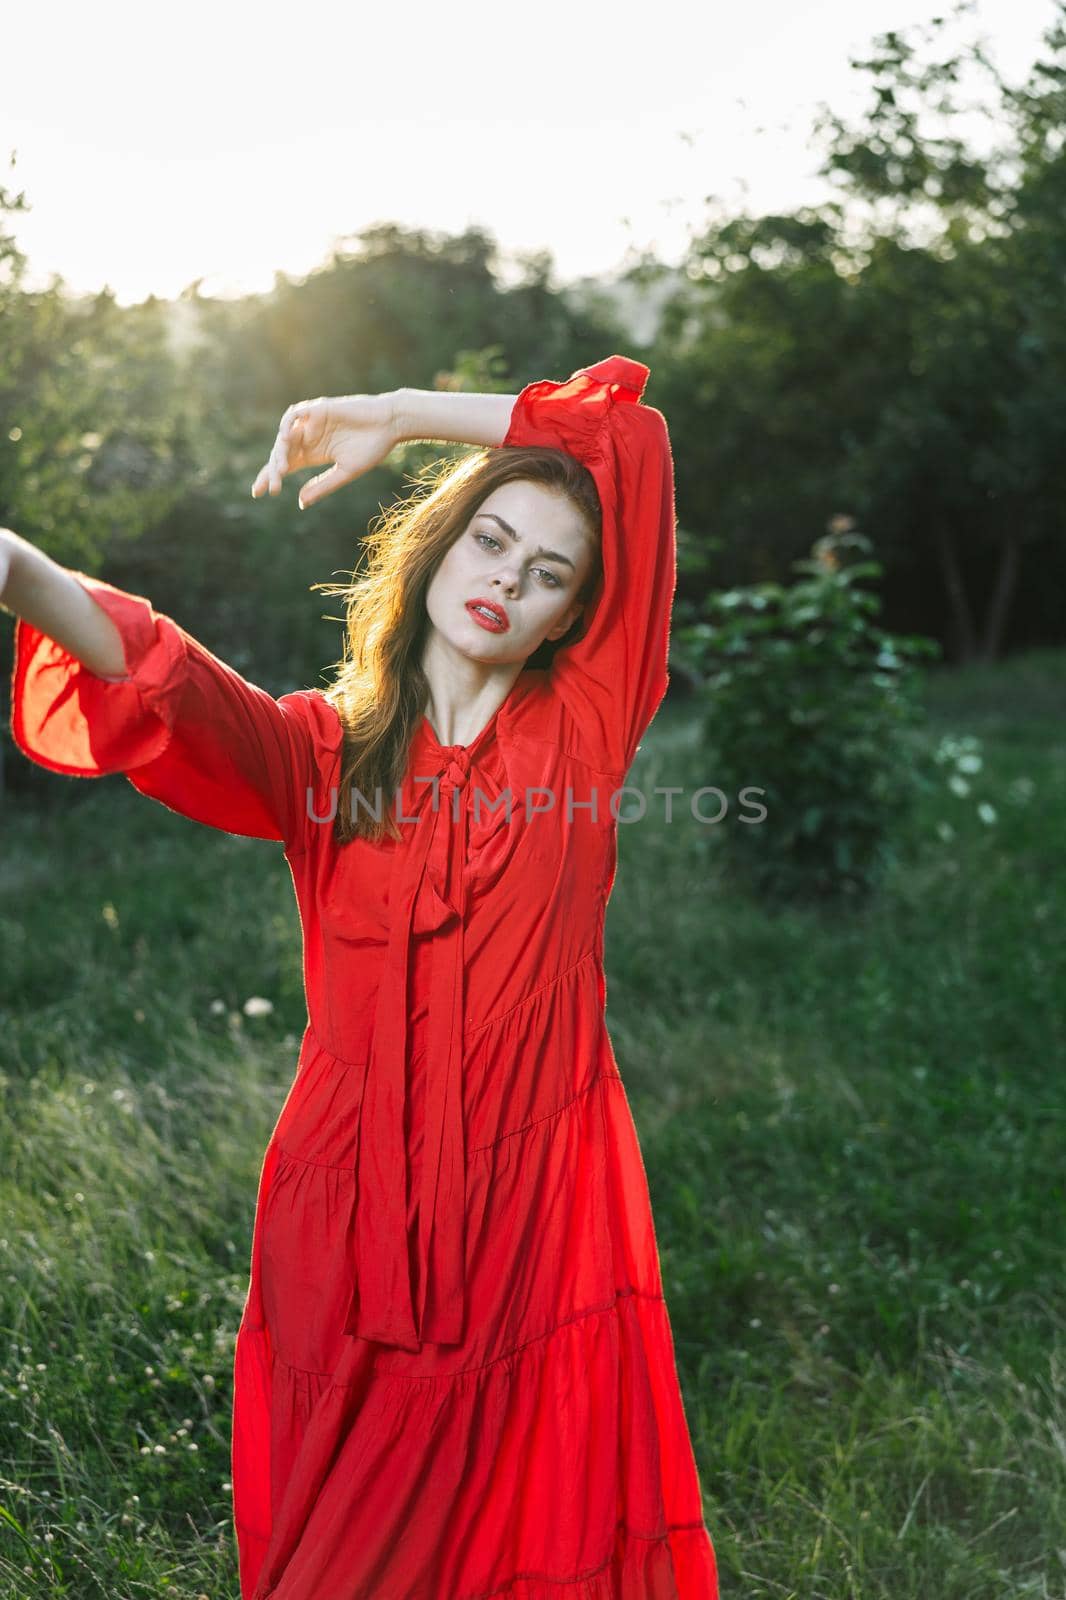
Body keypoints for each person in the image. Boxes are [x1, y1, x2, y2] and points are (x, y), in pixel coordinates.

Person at [3, 355, 720, 1599]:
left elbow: (633, 444)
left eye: (549, 574)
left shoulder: (584, 730)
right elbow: (164, 674)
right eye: (491, 539)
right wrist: (16, 570)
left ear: (574, 619)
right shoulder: (317, 755)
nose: (510, 577)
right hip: (343, 1198)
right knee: (343, 1549)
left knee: (521, 1524)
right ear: (439, 552)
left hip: (529, 1193)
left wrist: (395, 418)